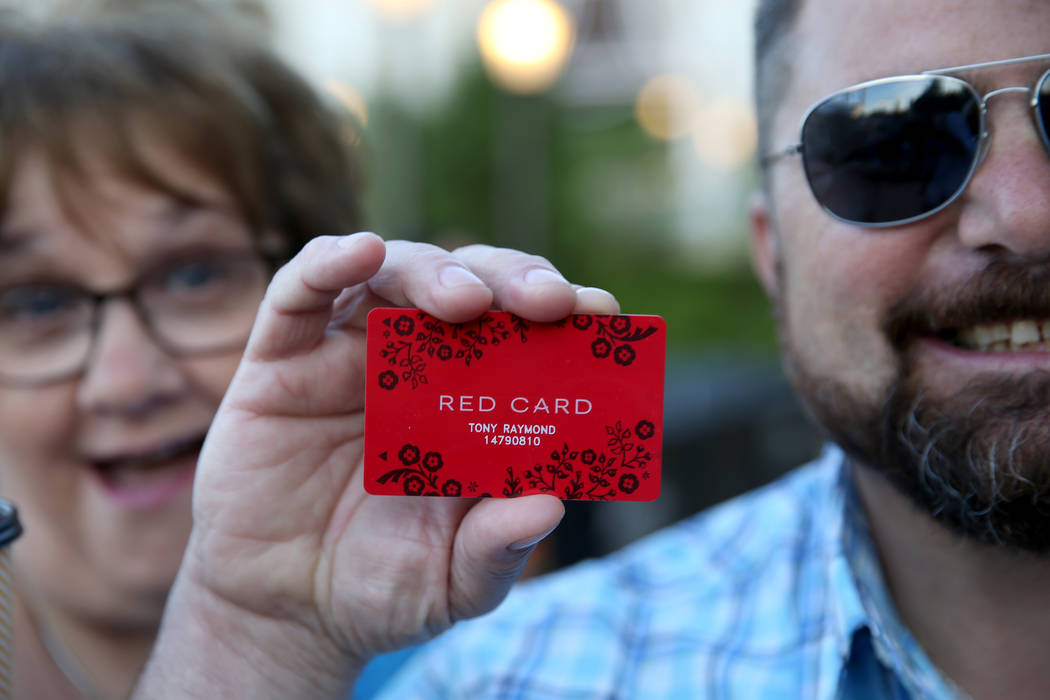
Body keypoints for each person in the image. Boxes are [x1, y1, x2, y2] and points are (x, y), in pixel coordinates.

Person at [126, 0, 1050, 698]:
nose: (1026, 215)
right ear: (771, 251)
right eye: (897, 142)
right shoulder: (520, 680)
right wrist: (254, 634)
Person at [0, 3, 607, 698]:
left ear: (335, 299)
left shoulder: (520, 671)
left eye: (194, 274)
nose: (128, 379)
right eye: (37, 303)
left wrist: (267, 639)